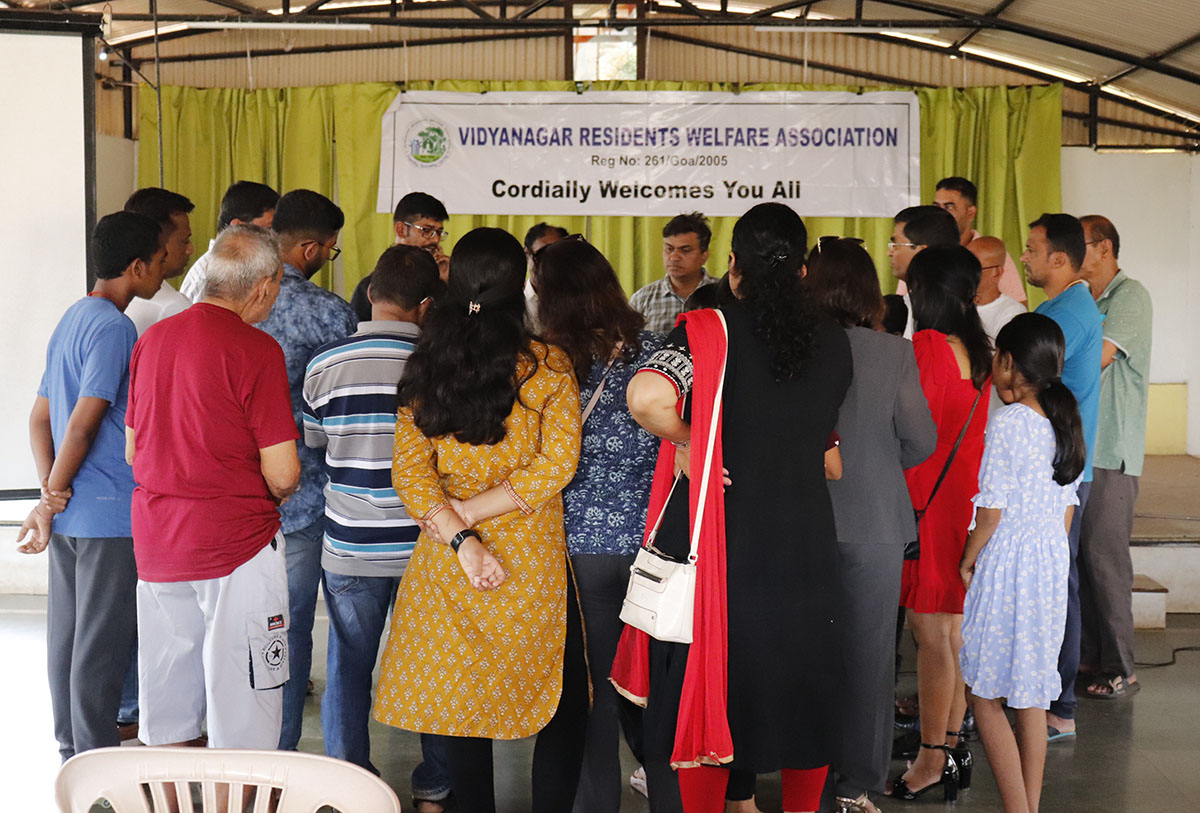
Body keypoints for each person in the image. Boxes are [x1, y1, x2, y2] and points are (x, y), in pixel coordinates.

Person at [614, 202, 853, 813]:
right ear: (803, 270)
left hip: (731, 545)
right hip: (807, 544)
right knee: (807, 692)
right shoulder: (834, 341)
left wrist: (693, 441)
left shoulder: (708, 328)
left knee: (716, 692)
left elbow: (645, 396)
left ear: (731, 263)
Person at [374, 227, 588, 813]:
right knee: (556, 697)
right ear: (519, 286)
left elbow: (411, 475)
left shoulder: (428, 362)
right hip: (529, 551)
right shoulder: (547, 365)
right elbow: (556, 467)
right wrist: (476, 515)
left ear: (455, 283)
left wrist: (462, 532)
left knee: (462, 704)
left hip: (451, 557)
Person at [125, 224, 299, 750]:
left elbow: (133, 448)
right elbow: (284, 472)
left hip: (158, 542)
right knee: (245, 702)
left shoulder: (154, 338)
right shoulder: (257, 350)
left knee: (168, 699)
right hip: (236, 544)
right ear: (264, 286)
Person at [302, 244, 450, 809]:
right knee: (435, 666)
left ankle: (349, 786)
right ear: (427, 305)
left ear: (369, 293)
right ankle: (435, 784)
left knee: (347, 666)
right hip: (430, 547)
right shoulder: (443, 364)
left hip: (350, 544)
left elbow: (317, 446)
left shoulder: (325, 364)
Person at [15, 211, 165, 762]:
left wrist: (50, 496)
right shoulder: (114, 327)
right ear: (136, 267)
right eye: (161, 261)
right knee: (100, 645)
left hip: (75, 508)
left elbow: (38, 418)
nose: (164, 271)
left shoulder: (72, 316)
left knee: (68, 636)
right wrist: (50, 499)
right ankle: (95, 759)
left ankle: (70, 750)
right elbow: (82, 420)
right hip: (106, 512)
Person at [805, 237, 938, 813]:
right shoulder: (892, 354)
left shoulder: (790, 348)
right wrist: (877, 463)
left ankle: (799, 768)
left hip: (799, 520)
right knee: (867, 654)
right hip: (876, 522)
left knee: (803, 649)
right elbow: (921, 440)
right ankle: (855, 783)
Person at [530, 235, 661, 813]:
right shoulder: (657, 351)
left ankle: (596, 804)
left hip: (580, 547)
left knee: (592, 694)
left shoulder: (545, 363)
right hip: (654, 545)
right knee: (652, 684)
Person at [959, 313, 1086, 813]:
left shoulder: (1011, 422)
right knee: (1031, 693)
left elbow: (991, 508)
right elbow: (1068, 507)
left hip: (1009, 556)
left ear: (1008, 361)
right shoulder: (1064, 419)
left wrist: (969, 560)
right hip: (1050, 558)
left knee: (984, 693)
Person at [888, 245, 992, 802]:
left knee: (930, 635)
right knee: (950, 632)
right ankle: (949, 749)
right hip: (961, 502)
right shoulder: (978, 349)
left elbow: (912, 430)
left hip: (926, 501)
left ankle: (929, 760)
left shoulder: (928, 346)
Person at [258, 189, 359, 751]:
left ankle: (279, 754)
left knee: (279, 630)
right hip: (328, 491)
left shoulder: (232, 301)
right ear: (309, 248)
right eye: (330, 250)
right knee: (346, 634)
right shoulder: (327, 312)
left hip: (258, 496)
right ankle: (346, 762)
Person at [1020, 213, 1102, 741]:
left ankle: (1060, 707)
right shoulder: (1057, 307)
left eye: (1031, 249)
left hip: (1061, 473)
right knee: (1050, 583)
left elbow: (1024, 374)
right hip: (1051, 469)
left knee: (1058, 585)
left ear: (1059, 258)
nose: (1023, 257)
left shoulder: (1070, 313)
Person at [1076, 215, 1152, 701]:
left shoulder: (1130, 296)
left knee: (1105, 562)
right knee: (1082, 562)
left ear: (1103, 248)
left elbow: (1098, 356)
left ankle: (1123, 666)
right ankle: (1090, 658)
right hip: (1082, 450)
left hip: (1110, 450)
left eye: (1077, 245)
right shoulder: (1086, 300)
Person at [350, 191, 451, 320]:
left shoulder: (443, 280)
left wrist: (445, 283)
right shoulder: (371, 286)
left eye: (439, 232)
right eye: (427, 231)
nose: (435, 239)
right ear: (401, 229)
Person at [179, 180, 280, 302]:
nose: (274, 238)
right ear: (237, 227)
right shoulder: (203, 280)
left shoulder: (246, 267)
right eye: (268, 229)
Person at [933, 176, 1027, 303]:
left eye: (949, 207)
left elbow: (1019, 306)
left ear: (971, 213)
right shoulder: (924, 251)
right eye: (936, 207)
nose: (940, 214)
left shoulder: (991, 254)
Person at [629, 212, 720, 333]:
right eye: (669, 249)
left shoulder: (723, 294)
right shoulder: (642, 299)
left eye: (685, 250)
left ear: (704, 256)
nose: (674, 257)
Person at [122, 187, 195, 335]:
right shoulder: (174, 308)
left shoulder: (113, 295)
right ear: (159, 242)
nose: (190, 249)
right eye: (185, 241)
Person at [888, 206, 960, 338]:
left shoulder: (949, 315)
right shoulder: (902, 307)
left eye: (896, 245)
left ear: (922, 252)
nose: (890, 253)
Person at [968, 236, 1027, 342]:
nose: (965, 271)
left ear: (996, 272)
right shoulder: (954, 304)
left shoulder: (1012, 314)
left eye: (974, 267)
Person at [523, 222, 569, 329]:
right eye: (542, 255)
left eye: (557, 257)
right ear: (526, 254)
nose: (549, 264)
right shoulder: (514, 301)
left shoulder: (580, 300)